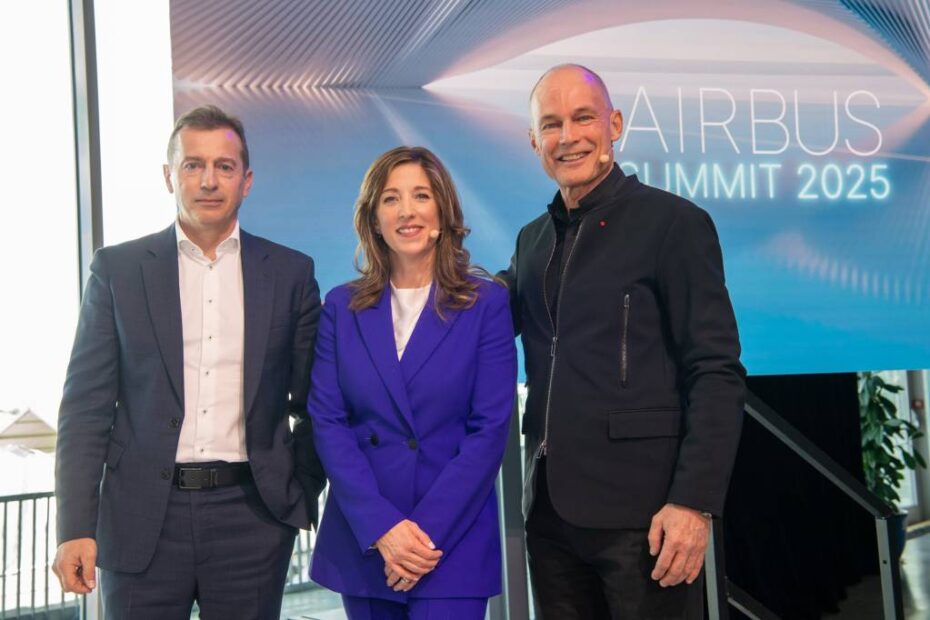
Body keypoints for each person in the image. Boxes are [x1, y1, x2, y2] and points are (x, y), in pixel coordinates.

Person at [52, 105, 326, 619]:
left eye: (224, 166)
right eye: (192, 165)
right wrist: (74, 526)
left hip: (252, 518)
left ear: (246, 181)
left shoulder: (290, 273)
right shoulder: (118, 271)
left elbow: (316, 402)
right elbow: (85, 410)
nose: (208, 180)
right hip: (141, 520)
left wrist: (298, 493)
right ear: (168, 176)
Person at [502, 64, 746, 618]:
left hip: (648, 518)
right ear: (534, 140)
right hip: (549, 514)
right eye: (552, 124)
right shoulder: (532, 239)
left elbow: (716, 370)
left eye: (583, 118)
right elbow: (490, 312)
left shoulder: (674, 223)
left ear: (614, 124)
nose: (569, 137)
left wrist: (693, 502)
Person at [307, 146, 516, 619]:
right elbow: (328, 421)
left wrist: (420, 536)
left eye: (421, 196)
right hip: (368, 541)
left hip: (449, 544)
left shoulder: (485, 304)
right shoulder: (342, 307)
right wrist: (384, 530)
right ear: (373, 218)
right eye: (390, 199)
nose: (407, 211)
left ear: (442, 211)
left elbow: (489, 431)